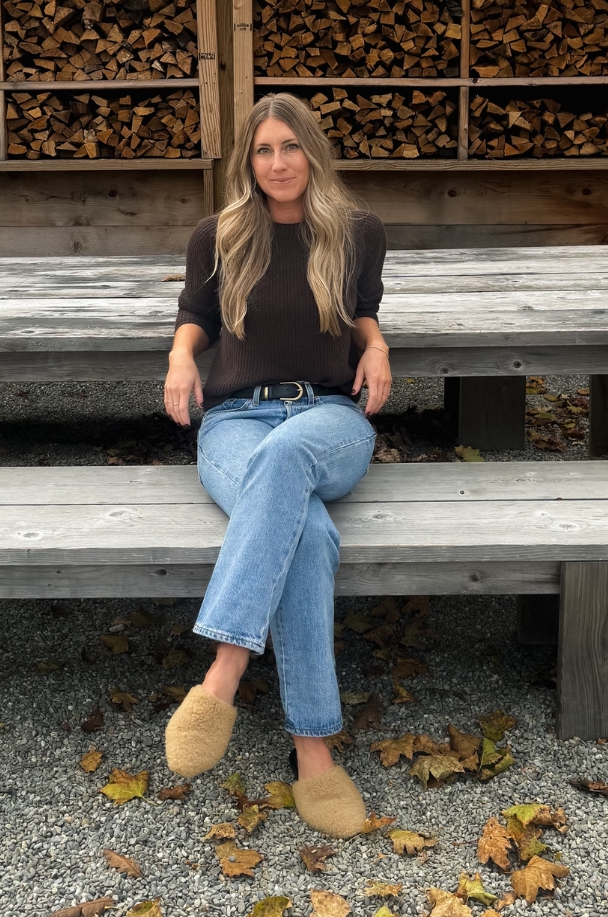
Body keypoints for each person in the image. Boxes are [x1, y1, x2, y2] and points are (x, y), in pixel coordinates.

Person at [162, 92, 390, 838]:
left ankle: (221, 674)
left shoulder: (356, 232)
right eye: (264, 150)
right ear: (248, 162)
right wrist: (179, 361)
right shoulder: (219, 235)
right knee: (311, 536)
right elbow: (193, 317)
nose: (278, 162)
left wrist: (379, 347)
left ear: (312, 154)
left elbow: (361, 311)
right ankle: (314, 750)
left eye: (290, 147)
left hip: (327, 420)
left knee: (291, 454)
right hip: (234, 421)